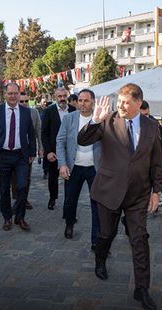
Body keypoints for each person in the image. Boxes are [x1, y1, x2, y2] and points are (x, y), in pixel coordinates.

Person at [78, 83, 162, 310]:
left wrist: (157, 190)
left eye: (126, 102)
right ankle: (100, 258)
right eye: (119, 101)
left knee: (140, 239)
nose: (121, 106)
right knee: (107, 234)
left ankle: (142, 289)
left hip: (139, 194)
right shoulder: (107, 120)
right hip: (108, 191)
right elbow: (82, 140)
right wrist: (95, 120)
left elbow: (157, 161)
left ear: (138, 103)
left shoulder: (152, 125)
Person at [0, 82, 36, 231]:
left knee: (22, 186)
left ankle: (20, 217)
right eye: (10, 93)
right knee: (4, 188)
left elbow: (31, 134)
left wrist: (32, 152)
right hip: (1, 156)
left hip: (20, 156)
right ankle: (7, 218)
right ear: (5, 95)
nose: (13, 96)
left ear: (19, 94)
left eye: (15, 93)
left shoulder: (26, 112)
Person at [56, 89, 101, 245]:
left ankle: (96, 239)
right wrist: (62, 164)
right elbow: (60, 141)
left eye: (86, 100)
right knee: (70, 200)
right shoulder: (69, 119)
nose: (82, 103)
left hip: (94, 168)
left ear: (93, 102)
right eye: (80, 100)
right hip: (73, 167)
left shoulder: (99, 119)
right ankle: (69, 223)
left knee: (97, 204)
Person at [42, 87, 76, 210]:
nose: (62, 99)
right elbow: (44, 133)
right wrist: (48, 151)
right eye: (59, 96)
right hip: (54, 151)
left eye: (64, 96)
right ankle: (52, 198)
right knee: (53, 176)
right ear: (55, 97)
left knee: (70, 178)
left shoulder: (73, 110)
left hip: (71, 151)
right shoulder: (49, 111)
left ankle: (68, 204)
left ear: (67, 96)